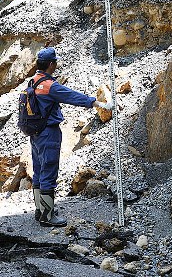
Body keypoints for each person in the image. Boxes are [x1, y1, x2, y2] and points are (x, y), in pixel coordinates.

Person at [30, 47, 112, 228]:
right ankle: (47, 216)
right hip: (49, 133)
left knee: (38, 170)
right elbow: (72, 96)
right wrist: (98, 103)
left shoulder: (33, 82)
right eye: (55, 62)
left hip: (35, 133)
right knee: (49, 171)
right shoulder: (50, 85)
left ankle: (41, 210)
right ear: (51, 64)